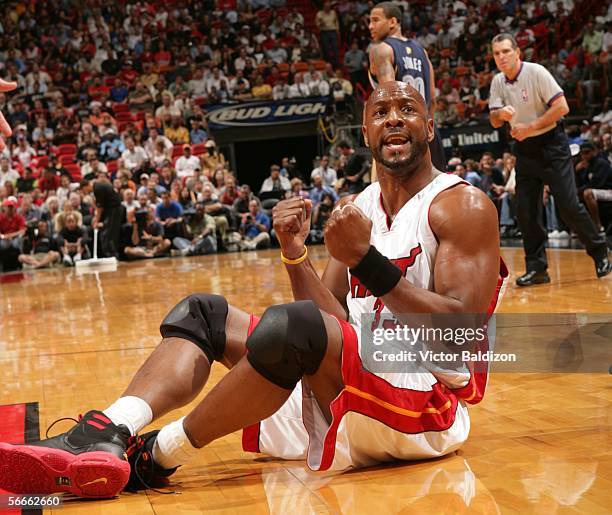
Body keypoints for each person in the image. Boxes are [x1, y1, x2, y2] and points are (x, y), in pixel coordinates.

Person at [0, 82, 507, 500]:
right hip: (358, 378)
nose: (394, 119)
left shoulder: (462, 205)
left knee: (291, 328)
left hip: (428, 406)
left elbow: (460, 333)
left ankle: (155, 457)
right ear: (366, 131)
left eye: (408, 110)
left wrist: (367, 263)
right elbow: (333, 319)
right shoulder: (361, 205)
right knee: (203, 313)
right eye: (381, 112)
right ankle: (107, 430)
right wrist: (294, 254)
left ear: (431, 127)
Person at [488, 33, 611, 285]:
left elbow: (562, 107)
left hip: (552, 145)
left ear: (517, 52)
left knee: (568, 205)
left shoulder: (536, 72)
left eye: (505, 51)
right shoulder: (498, 81)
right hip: (524, 149)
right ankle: (537, 268)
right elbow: (493, 119)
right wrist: (500, 113)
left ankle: (600, 252)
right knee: (525, 211)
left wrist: (531, 126)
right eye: (497, 53)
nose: (501, 57)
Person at [368, 2, 446, 172]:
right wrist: (426, 131)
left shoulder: (382, 50)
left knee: (391, 197)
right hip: (428, 131)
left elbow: (390, 100)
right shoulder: (422, 51)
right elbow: (432, 99)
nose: (370, 26)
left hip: (402, 137)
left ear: (393, 22)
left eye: (375, 20)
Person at [81, 175, 124, 258]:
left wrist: (97, 220)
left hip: (114, 210)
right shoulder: (99, 186)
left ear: (85, 186)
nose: (85, 193)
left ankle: (111, 255)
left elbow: (100, 208)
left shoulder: (97, 188)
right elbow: (98, 206)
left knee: (109, 235)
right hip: (113, 210)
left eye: (84, 190)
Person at [576, 142, 612, 233]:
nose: (584, 156)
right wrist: (576, 171)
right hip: (599, 191)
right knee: (573, 196)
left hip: (608, 191)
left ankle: (598, 225)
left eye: (587, 152)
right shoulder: (584, 165)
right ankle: (578, 228)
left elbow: (597, 184)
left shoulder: (601, 163)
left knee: (588, 193)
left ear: (594, 151)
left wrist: (578, 191)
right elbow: (580, 183)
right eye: (582, 153)